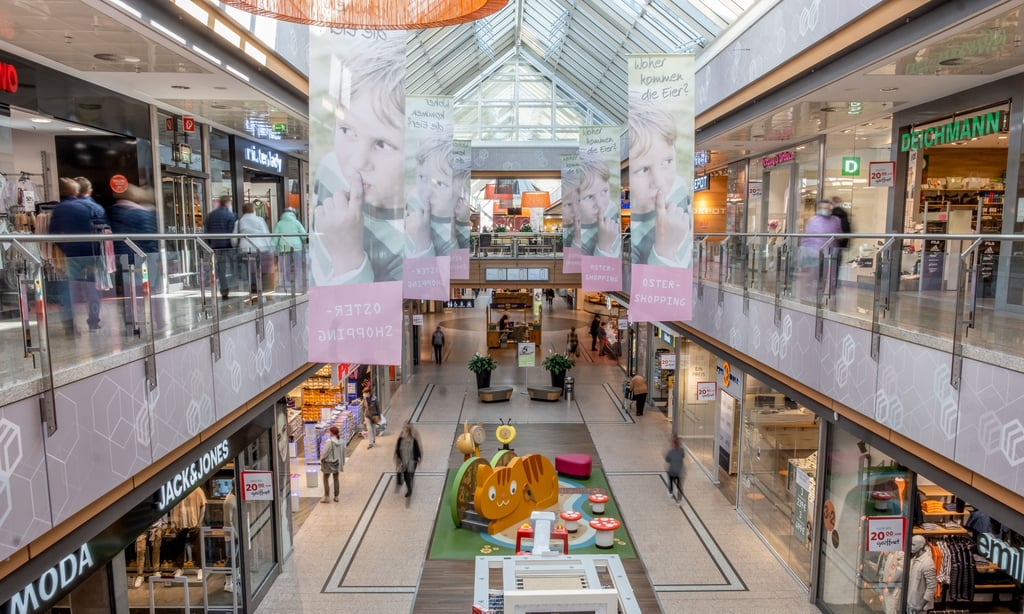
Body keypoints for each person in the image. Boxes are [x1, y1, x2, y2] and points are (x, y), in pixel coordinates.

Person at [310, 36, 406, 285]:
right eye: (347, 131)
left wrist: (348, 260)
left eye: (382, 144)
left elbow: (373, 319)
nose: (358, 161)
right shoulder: (329, 167)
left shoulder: (407, 242)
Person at [628, 90, 692, 267]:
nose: (660, 182)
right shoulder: (635, 238)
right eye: (643, 169)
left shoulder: (679, 189)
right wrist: (665, 251)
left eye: (667, 161)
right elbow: (648, 286)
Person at [50, 177, 106, 333]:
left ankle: (70, 325)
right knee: (93, 290)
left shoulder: (60, 209)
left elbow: (52, 234)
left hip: (73, 254)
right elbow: (104, 230)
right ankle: (94, 322)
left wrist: (66, 248)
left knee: (69, 290)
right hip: (93, 253)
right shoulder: (93, 207)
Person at [109, 185, 161, 328]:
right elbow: (149, 238)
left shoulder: (115, 212)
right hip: (142, 257)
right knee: (150, 289)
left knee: (129, 290)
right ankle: (155, 319)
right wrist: (155, 257)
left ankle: (131, 321)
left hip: (123, 257)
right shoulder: (140, 213)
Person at [406, 136, 456, 258]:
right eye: (422, 177)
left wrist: (423, 245)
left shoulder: (450, 236)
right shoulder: (413, 199)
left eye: (440, 184)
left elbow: (444, 275)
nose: (426, 194)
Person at [575, 149, 621, 258]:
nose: (600, 205)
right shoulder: (578, 237)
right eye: (589, 197)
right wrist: (604, 247)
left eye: (604, 191)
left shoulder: (611, 208)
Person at [798, 200, 843, 300]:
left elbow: (839, 234)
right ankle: (813, 296)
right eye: (824, 208)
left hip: (830, 254)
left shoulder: (836, 220)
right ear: (819, 209)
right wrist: (803, 251)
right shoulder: (812, 220)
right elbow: (806, 237)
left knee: (829, 277)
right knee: (815, 276)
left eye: (828, 208)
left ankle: (827, 297)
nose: (826, 210)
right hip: (814, 254)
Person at [235, 201, 274, 297]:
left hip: (246, 249)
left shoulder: (239, 221)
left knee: (250, 270)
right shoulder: (260, 220)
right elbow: (266, 234)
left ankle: (253, 288)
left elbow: (234, 239)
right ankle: (262, 289)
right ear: (253, 210)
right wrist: (270, 247)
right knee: (261, 269)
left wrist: (237, 246)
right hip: (260, 248)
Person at [205, 195, 237, 300]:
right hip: (227, 245)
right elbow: (231, 232)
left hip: (214, 246)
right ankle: (231, 287)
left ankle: (223, 288)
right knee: (231, 267)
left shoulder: (211, 215)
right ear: (227, 203)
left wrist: (210, 243)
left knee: (220, 269)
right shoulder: (230, 216)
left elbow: (207, 231)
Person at [273, 206, 306, 291]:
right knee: (297, 266)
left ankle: (286, 284)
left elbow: (275, 238)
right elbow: (304, 235)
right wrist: (302, 240)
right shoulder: (296, 222)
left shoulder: (280, 223)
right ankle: (298, 284)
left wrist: (272, 247)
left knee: (284, 267)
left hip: (283, 247)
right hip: (297, 247)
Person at [906, 535, 936, 613]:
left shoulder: (927, 563)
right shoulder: (914, 559)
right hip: (910, 603)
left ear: (921, 545)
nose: (911, 547)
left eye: (913, 545)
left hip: (918, 607)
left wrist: (921, 605)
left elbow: (932, 587)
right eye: (910, 544)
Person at [394, 423, 422, 498]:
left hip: (411, 461)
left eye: (406, 431)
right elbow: (397, 449)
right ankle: (409, 487)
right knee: (406, 476)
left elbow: (417, 450)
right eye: (403, 431)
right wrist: (397, 457)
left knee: (410, 475)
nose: (404, 433)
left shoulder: (413, 440)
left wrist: (419, 457)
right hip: (403, 461)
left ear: (409, 432)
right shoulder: (400, 440)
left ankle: (409, 490)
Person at [320, 425, 345, 502]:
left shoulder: (329, 442)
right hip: (337, 462)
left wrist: (321, 459)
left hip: (329, 463)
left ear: (331, 432)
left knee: (325, 478)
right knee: (336, 479)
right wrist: (342, 462)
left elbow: (324, 453)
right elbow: (343, 453)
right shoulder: (341, 441)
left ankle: (327, 497)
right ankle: (336, 496)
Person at [665, 436, 684, 502]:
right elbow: (682, 456)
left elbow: (667, 460)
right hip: (679, 471)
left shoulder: (670, 451)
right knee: (679, 484)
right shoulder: (681, 450)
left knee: (670, 481)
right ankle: (679, 500)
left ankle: (670, 492)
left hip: (672, 471)